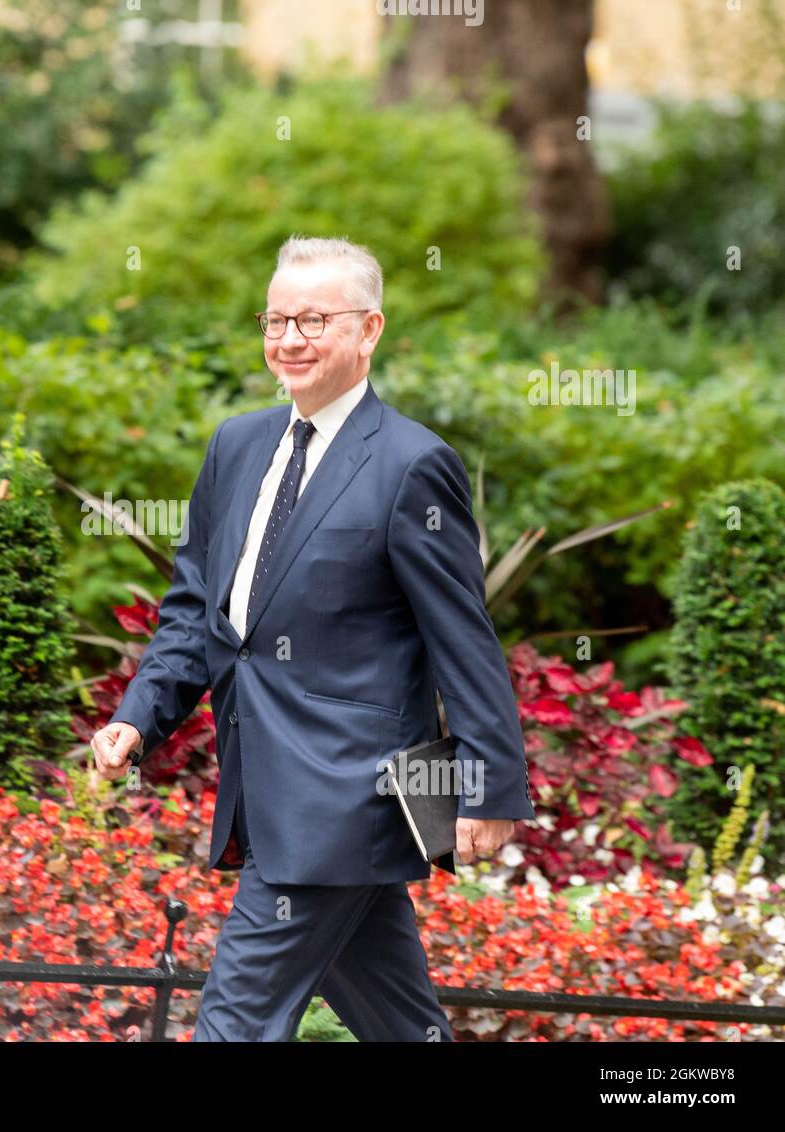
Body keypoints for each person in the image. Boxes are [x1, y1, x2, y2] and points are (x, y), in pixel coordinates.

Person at [90, 235, 535, 1042]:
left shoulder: (411, 464)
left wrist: (489, 787)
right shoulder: (236, 446)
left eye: (313, 320)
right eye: (275, 319)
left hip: (349, 797)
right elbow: (199, 608)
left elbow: (462, 639)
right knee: (402, 1024)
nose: (288, 339)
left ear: (369, 331)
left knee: (234, 1023)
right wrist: (139, 714)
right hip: (267, 789)